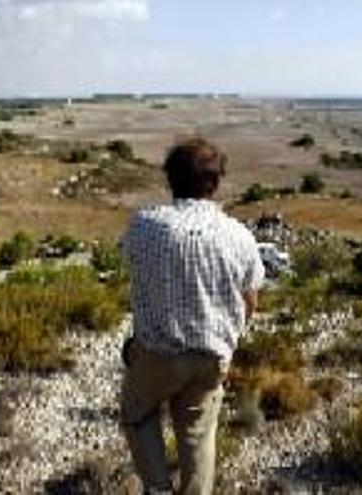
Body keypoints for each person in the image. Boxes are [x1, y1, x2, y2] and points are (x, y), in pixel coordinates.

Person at [119, 138, 265, 494]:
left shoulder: (144, 225)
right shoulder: (239, 237)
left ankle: (157, 488)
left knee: (136, 412)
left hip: (156, 353)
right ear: (215, 183)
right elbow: (251, 302)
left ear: (170, 180)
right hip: (211, 356)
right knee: (198, 437)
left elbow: (131, 264)